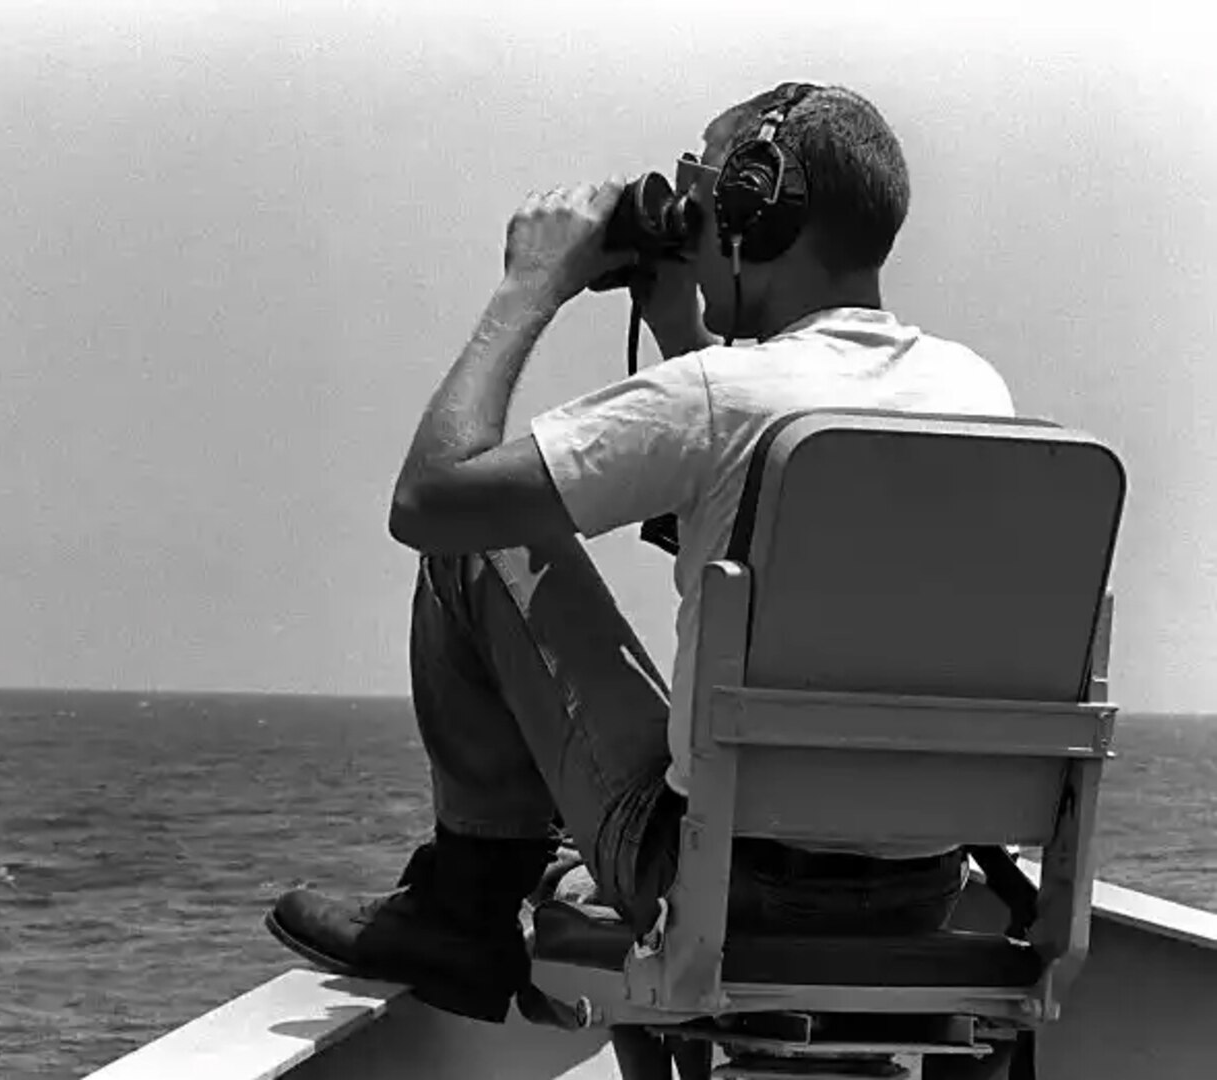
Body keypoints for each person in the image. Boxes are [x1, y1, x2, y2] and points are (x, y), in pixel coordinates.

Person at [265, 82, 1019, 1079]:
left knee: (475, 548)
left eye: (705, 197)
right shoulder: (976, 395)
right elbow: (754, 519)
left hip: (718, 887)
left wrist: (528, 285)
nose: (695, 223)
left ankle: (464, 907)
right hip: (919, 889)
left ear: (762, 209)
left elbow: (430, 498)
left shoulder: (716, 402)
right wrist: (680, 323)